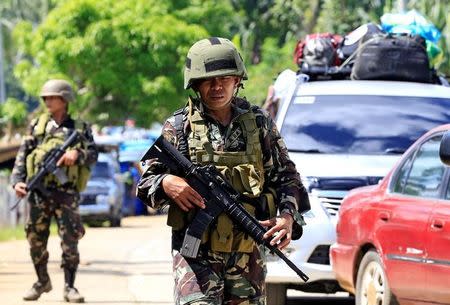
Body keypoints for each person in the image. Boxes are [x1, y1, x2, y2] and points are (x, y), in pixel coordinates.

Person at [137, 37, 310, 305]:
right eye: (208, 80)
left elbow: (288, 178)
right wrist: (167, 182)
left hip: (247, 254)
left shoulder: (259, 123)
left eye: (225, 79)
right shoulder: (179, 126)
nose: (217, 87)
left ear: (237, 80)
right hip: (195, 259)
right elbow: (147, 182)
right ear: (195, 84)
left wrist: (287, 217)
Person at [11, 79, 98, 303]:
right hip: (39, 193)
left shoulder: (79, 128)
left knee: (70, 241)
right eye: (46, 98)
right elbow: (23, 155)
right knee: (34, 239)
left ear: (65, 99)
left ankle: (70, 287)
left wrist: (77, 155)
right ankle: (42, 281)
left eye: (52, 97)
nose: (48, 101)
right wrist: (17, 181)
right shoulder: (37, 126)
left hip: (66, 193)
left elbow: (94, 155)